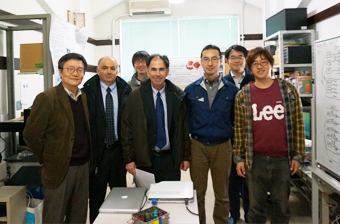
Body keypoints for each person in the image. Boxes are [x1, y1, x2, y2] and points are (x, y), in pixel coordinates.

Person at [233, 47, 305, 224]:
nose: (260, 66)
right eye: (255, 63)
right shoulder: (243, 95)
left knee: (281, 207)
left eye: (263, 62)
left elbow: (298, 124)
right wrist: (239, 158)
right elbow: (239, 130)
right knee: (256, 209)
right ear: (249, 68)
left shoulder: (288, 90)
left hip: (282, 160)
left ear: (271, 64)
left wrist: (298, 155)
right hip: (254, 160)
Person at [23, 53, 91, 223]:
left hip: (83, 167)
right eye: (70, 69)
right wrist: (47, 158)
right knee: (54, 216)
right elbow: (31, 135)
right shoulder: (47, 98)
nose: (75, 73)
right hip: (59, 168)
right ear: (60, 72)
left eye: (79, 70)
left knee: (79, 215)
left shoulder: (83, 97)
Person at [185, 45, 239, 224]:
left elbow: (236, 122)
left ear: (220, 61)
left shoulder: (232, 90)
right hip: (197, 146)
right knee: (197, 194)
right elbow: (186, 122)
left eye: (214, 58)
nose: (210, 63)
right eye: (206, 59)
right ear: (201, 62)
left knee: (222, 194)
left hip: (223, 146)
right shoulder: (190, 90)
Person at [121, 54, 190, 183]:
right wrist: (129, 159)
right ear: (147, 71)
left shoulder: (177, 96)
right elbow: (126, 129)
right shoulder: (135, 96)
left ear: (167, 71)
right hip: (145, 159)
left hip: (171, 159)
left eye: (161, 69)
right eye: (153, 69)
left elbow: (184, 128)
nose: (157, 74)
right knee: (146, 198)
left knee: (170, 199)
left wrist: (185, 156)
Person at [82, 56, 132, 223]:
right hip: (98, 153)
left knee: (121, 197)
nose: (108, 71)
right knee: (96, 199)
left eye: (112, 68)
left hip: (118, 151)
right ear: (97, 70)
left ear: (117, 71)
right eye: (104, 68)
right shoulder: (87, 92)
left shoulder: (126, 90)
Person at [224, 44, 254, 224]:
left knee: (249, 181)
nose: (236, 60)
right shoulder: (221, 83)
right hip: (229, 140)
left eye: (240, 56)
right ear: (227, 61)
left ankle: (250, 215)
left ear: (246, 59)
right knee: (231, 182)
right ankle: (234, 215)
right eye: (233, 57)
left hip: (251, 139)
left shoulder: (253, 80)